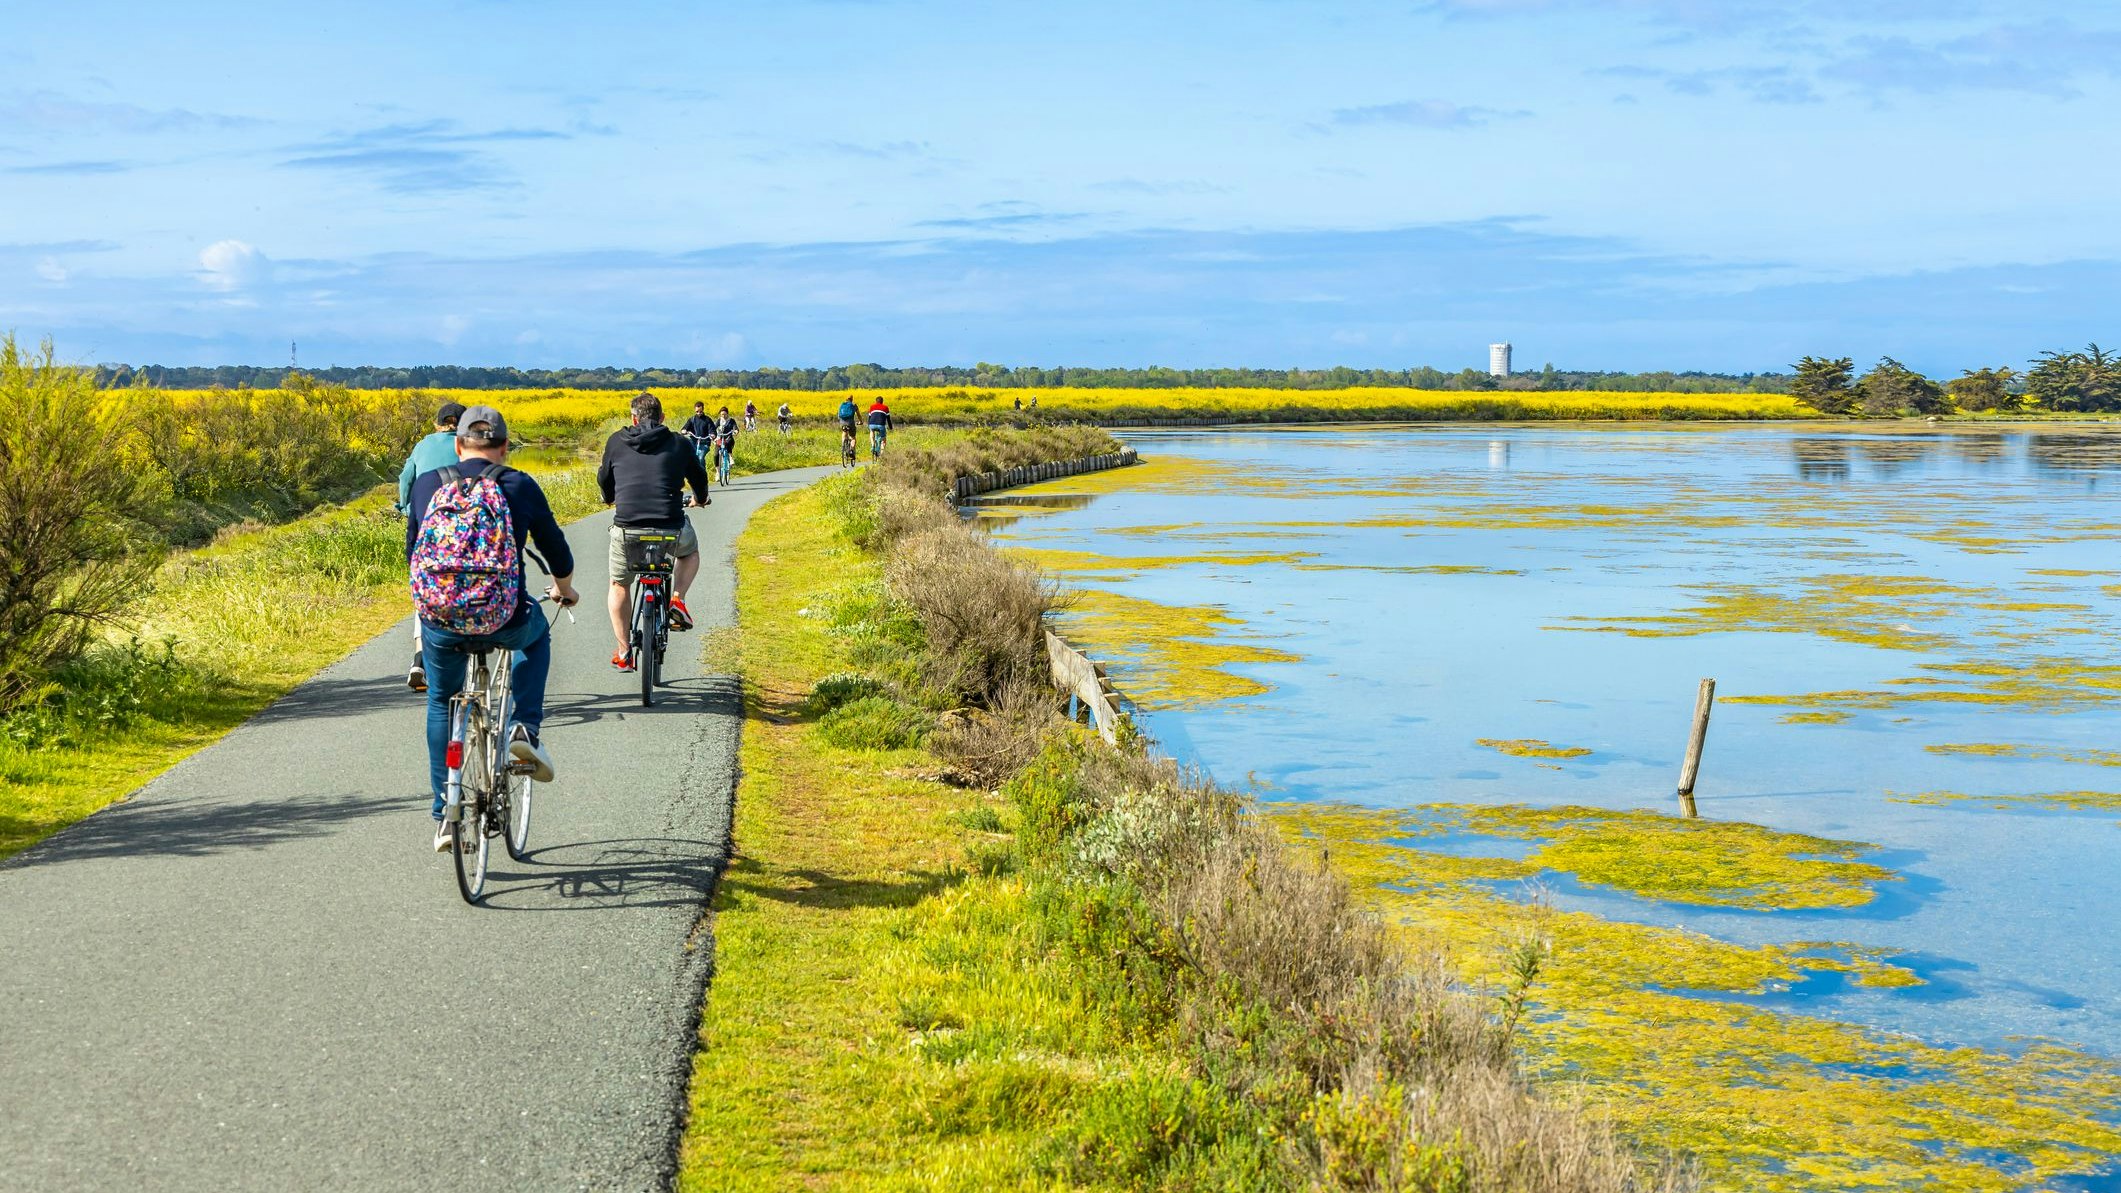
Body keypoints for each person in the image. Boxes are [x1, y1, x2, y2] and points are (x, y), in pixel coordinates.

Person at [405, 405, 579, 852]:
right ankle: (525, 728)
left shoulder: (429, 485)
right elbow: (555, 548)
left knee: (442, 701)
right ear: (504, 448)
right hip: (503, 615)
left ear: (459, 445)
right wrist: (566, 589)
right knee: (537, 636)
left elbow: (412, 554)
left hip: (441, 619)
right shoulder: (518, 483)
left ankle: (445, 812)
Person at [597, 392, 711, 672]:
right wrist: (700, 498)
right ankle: (677, 600)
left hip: (627, 528)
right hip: (670, 525)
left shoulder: (616, 441)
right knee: (689, 553)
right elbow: (699, 478)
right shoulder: (679, 443)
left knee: (619, 584)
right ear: (662, 418)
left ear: (633, 418)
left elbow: (604, 479)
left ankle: (624, 650)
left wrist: (609, 496)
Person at [396, 400, 467, 692]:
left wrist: (405, 507)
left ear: (438, 424)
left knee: (426, 586)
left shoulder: (423, 445)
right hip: (463, 528)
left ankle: (419, 657)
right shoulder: (468, 446)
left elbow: (405, 478)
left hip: (425, 525)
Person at [681, 400, 715, 471]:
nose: (699, 413)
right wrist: (684, 430)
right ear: (695, 410)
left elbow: (712, 429)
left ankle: (702, 473)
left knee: (700, 458)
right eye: (697, 411)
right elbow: (685, 427)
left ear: (703, 409)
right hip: (694, 442)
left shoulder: (707, 420)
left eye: (700, 411)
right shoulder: (692, 419)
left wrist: (712, 434)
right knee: (690, 457)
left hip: (705, 443)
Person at [711, 405, 740, 486]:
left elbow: (735, 427)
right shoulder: (719, 420)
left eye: (724, 414)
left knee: (728, 442)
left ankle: (730, 458)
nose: (723, 416)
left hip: (728, 438)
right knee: (716, 455)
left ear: (727, 414)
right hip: (720, 439)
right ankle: (717, 472)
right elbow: (713, 428)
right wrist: (712, 434)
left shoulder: (731, 421)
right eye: (722, 414)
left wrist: (736, 431)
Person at [837, 395, 860, 459]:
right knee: (853, 437)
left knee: (844, 433)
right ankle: (851, 450)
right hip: (850, 423)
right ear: (852, 399)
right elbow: (858, 414)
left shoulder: (841, 404)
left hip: (842, 423)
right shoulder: (854, 405)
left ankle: (843, 446)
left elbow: (839, 415)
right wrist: (860, 421)